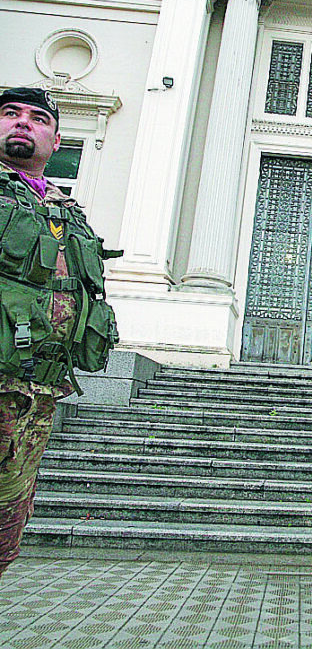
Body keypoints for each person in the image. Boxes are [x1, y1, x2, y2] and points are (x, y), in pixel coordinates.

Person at [0, 87, 119, 578]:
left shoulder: (67, 214)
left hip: (37, 394)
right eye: (10, 114)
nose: (23, 123)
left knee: (7, 530)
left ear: (57, 138)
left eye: (37, 118)